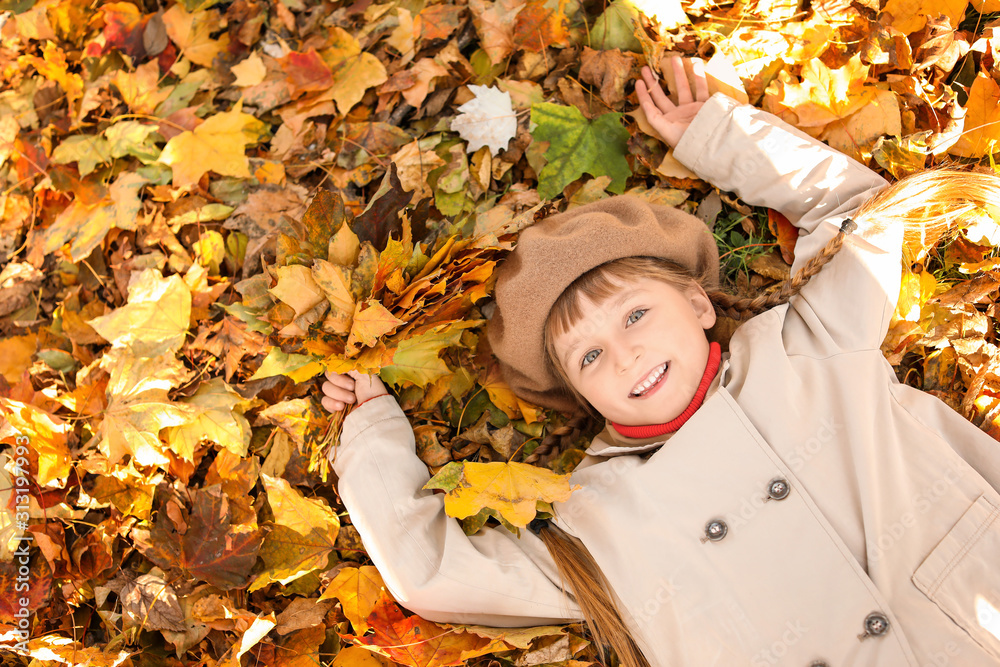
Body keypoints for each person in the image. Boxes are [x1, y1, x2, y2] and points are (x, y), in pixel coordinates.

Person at [320, 58, 1000, 667]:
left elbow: (861, 212)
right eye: (589, 355)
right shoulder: (598, 517)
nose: (626, 353)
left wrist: (719, 136)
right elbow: (440, 575)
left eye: (636, 315)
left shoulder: (804, 342)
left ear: (699, 305)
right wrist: (373, 436)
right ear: (582, 397)